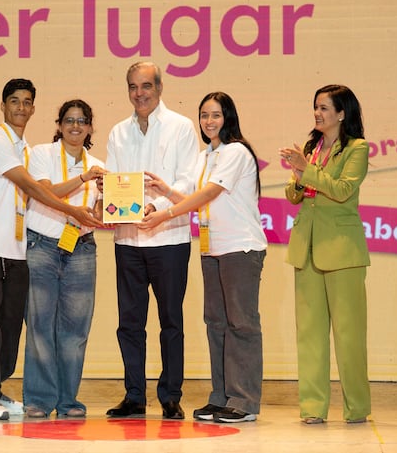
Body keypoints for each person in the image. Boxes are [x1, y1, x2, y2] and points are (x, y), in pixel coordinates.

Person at [0, 78, 101, 421]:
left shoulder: (24, 149)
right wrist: (75, 206)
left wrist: (120, 209)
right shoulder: (2, 143)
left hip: (20, 247)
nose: (21, 108)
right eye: (15, 101)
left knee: (12, 324)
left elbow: (100, 210)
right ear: (3, 105)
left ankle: (4, 392)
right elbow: (36, 189)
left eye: (27, 102)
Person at [139, 91, 267, 423]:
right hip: (212, 249)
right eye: (204, 115)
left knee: (242, 324)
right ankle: (221, 396)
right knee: (217, 323)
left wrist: (165, 216)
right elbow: (194, 197)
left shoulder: (236, 152)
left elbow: (209, 194)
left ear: (229, 117)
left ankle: (244, 400)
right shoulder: (205, 155)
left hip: (240, 248)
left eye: (215, 115)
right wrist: (165, 192)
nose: (208, 122)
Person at [104, 61, 200, 420]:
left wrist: (155, 206)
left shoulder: (181, 128)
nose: (139, 93)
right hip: (128, 239)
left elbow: (188, 182)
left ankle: (171, 395)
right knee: (129, 322)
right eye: (132, 87)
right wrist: (107, 196)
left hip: (170, 239)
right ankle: (134, 396)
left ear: (160, 88)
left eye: (145, 86)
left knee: (171, 320)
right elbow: (115, 181)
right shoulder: (117, 132)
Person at [279, 84, 371, 425]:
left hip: (343, 252)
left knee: (349, 335)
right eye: (315, 107)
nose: (317, 114)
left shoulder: (357, 149)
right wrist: (300, 173)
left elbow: (344, 190)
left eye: (324, 108)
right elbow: (293, 194)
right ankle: (313, 408)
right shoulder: (311, 148)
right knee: (310, 335)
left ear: (342, 113)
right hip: (307, 249)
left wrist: (308, 170)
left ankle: (357, 407)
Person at [22, 99, 106, 419]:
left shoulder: (98, 164)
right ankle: (40, 400)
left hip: (81, 248)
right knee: (40, 327)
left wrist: (107, 198)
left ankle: (69, 400)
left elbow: (98, 216)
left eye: (82, 121)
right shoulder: (41, 154)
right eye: (69, 120)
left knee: (75, 331)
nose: (75, 126)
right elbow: (47, 192)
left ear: (89, 127)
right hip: (41, 246)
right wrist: (85, 179)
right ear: (59, 125)